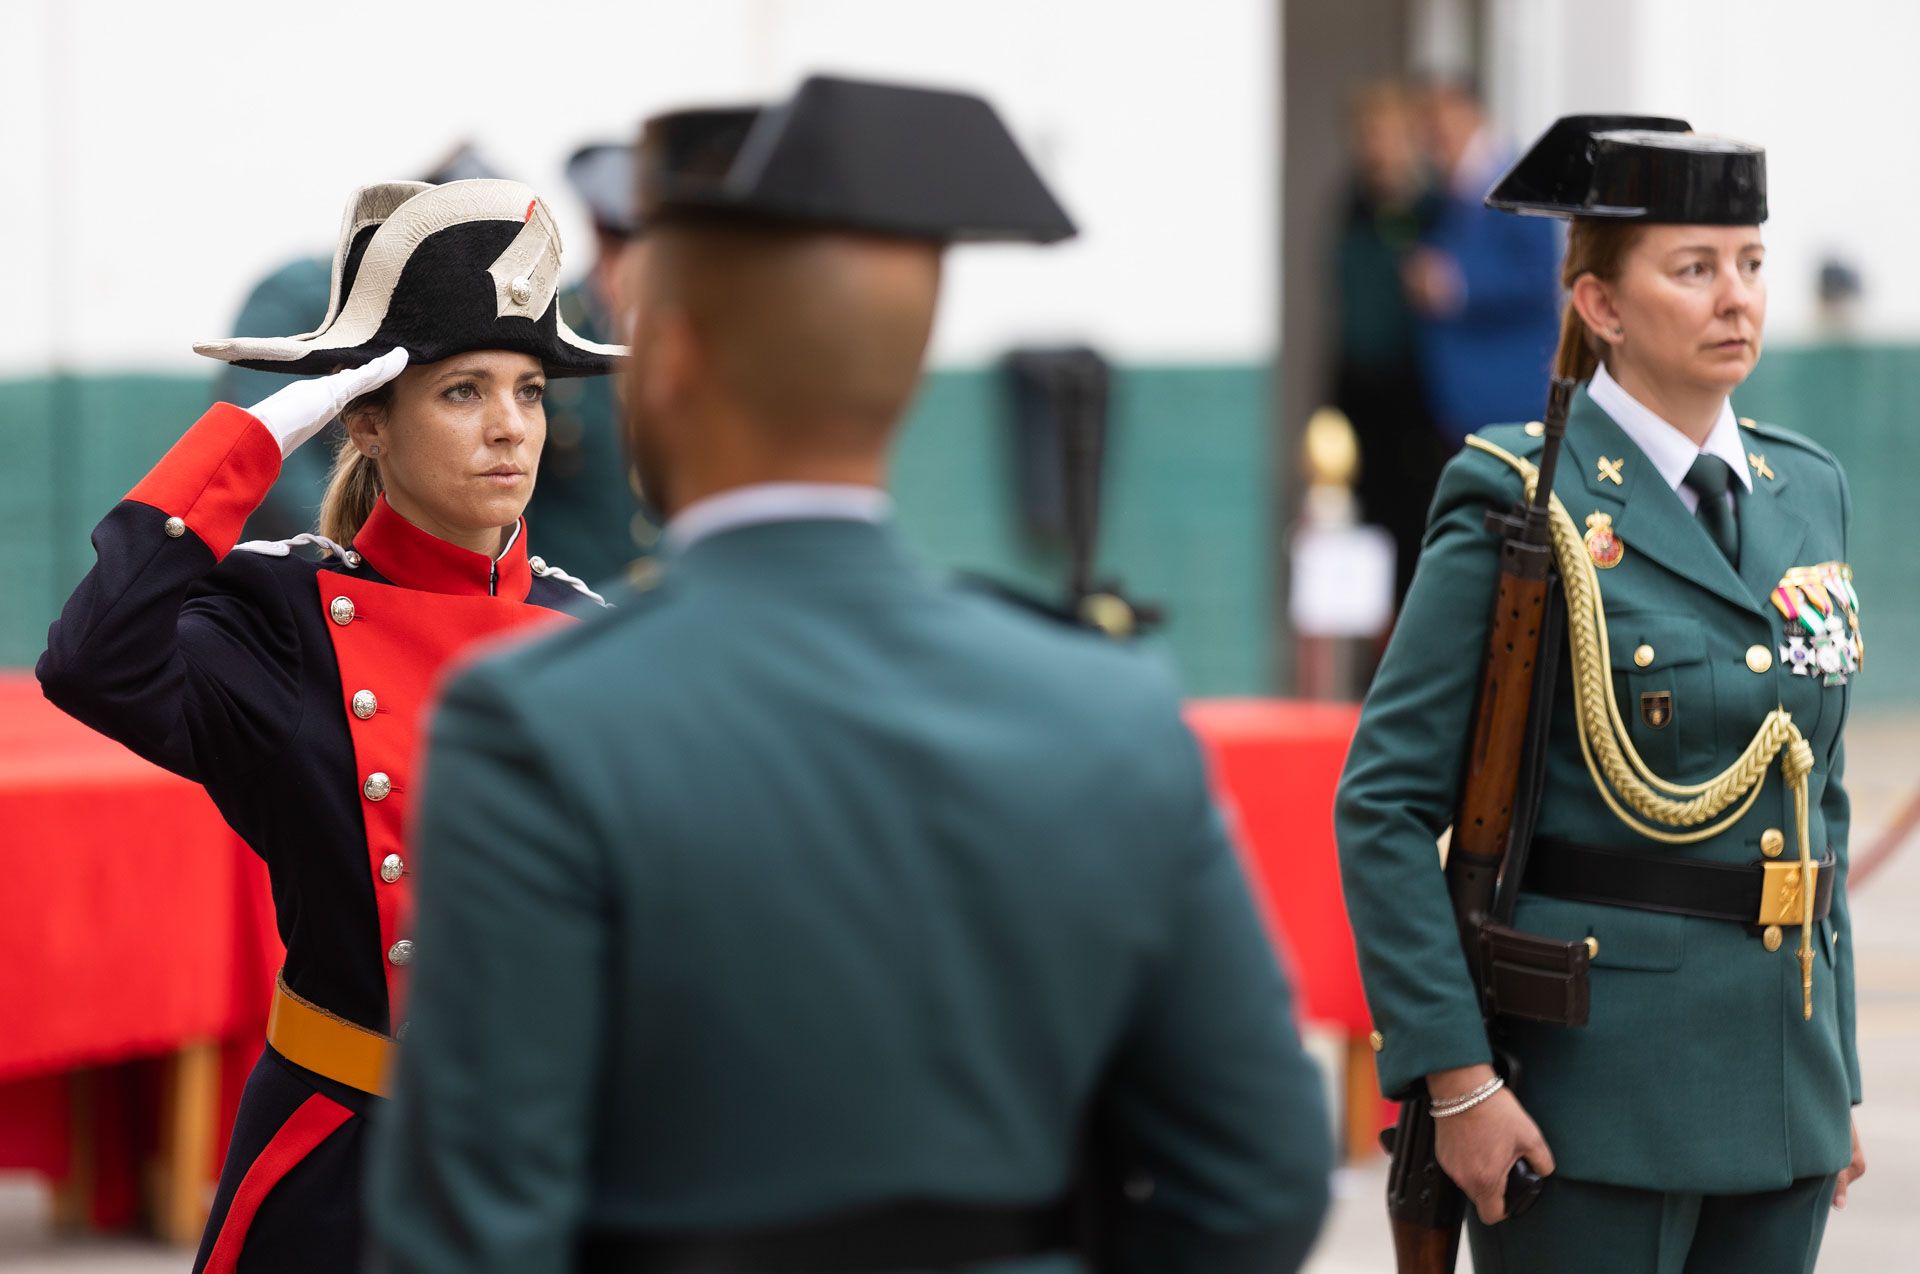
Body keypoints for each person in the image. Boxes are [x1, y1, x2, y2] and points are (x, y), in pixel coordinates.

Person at [369, 75, 1333, 1274]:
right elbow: (1263, 1173)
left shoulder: (538, 727)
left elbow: (471, 1236)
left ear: (668, 358)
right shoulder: (1110, 705)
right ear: (907, 376)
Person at [36, 177, 621, 1274]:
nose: (509, 427)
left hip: (556, 1169)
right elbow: (91, 660)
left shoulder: (592, 632)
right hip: (343, 1171)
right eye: (463, 391)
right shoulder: (283, 620)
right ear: (366, 418)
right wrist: (254, 439)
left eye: (530, 391)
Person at [1336, 115, 1867, 1272]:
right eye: (1694, 268)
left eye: (1750, 262)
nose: (1736, 296)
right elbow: (1382, 805)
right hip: (1592, 1105)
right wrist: (1458, 1079)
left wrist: (1839, 1077)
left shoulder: (1806, 489)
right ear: (1601, 306)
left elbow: (1813, 800)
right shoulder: (1521, 499)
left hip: (1783, 1090)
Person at [212, 143, 507, 542]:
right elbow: (268, 440)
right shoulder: (295, 297)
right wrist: (354, 552)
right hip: (299, 554)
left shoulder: (477, 317)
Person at [1329, 81, 1447, 608]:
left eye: (1389, 135)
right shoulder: (1352, 207)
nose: (1378, 148)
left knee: (1416, 525)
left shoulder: (1435, 209)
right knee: (1362, 528)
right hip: (1360, 389)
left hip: (1418, 398)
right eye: (1368, 135)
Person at [524, 141, 656, 584]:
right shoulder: (546, 329)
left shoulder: (692, 339)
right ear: (597, 233)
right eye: (620, 245)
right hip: (569, 599)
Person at [1405, 78, 1562, 445]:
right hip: (1466, 401)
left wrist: (1455, 284)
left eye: (1440, 123)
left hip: (1510, 398)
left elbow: (1538, 276)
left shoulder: (1517, 181)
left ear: (1470, 113)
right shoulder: (1451, 187)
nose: (1433, 138)